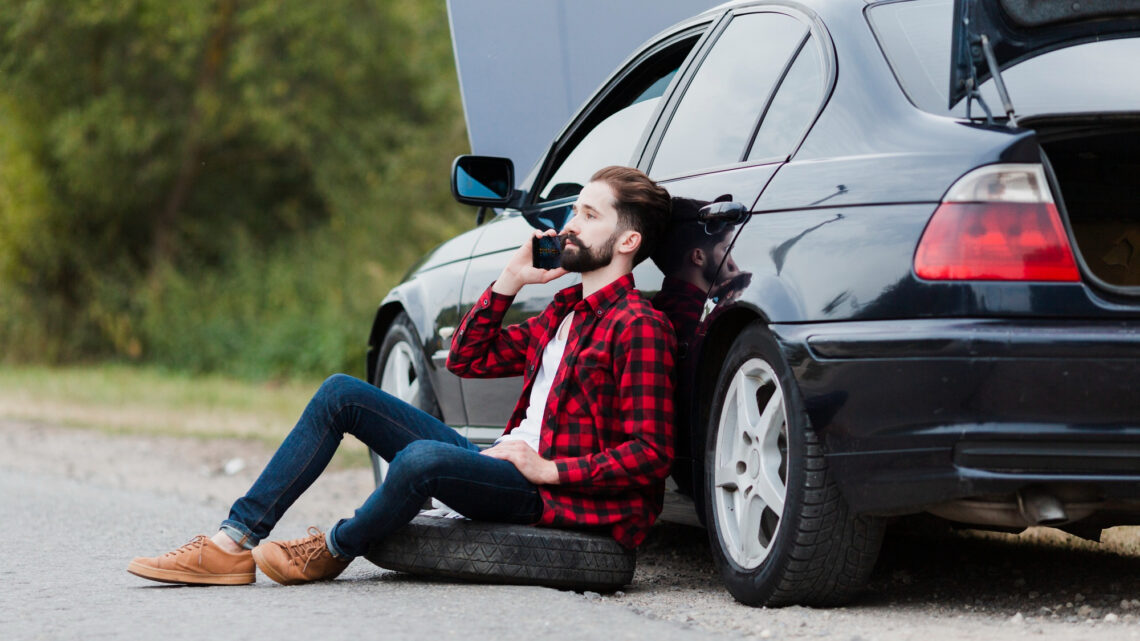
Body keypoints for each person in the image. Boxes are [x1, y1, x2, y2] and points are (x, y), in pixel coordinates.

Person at [127, 165, 677, 586]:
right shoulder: (560, 312)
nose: (570, 225)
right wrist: (511, 280)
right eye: (575, 211)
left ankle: (334, 548)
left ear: (627, 242)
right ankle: (230, 543)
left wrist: (550, 469)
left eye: (589, 215)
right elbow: (468, 359)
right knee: (341, 393)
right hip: (504, 467)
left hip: (548, 495)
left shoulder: (639, 327)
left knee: (420, 461)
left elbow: (651, 452)